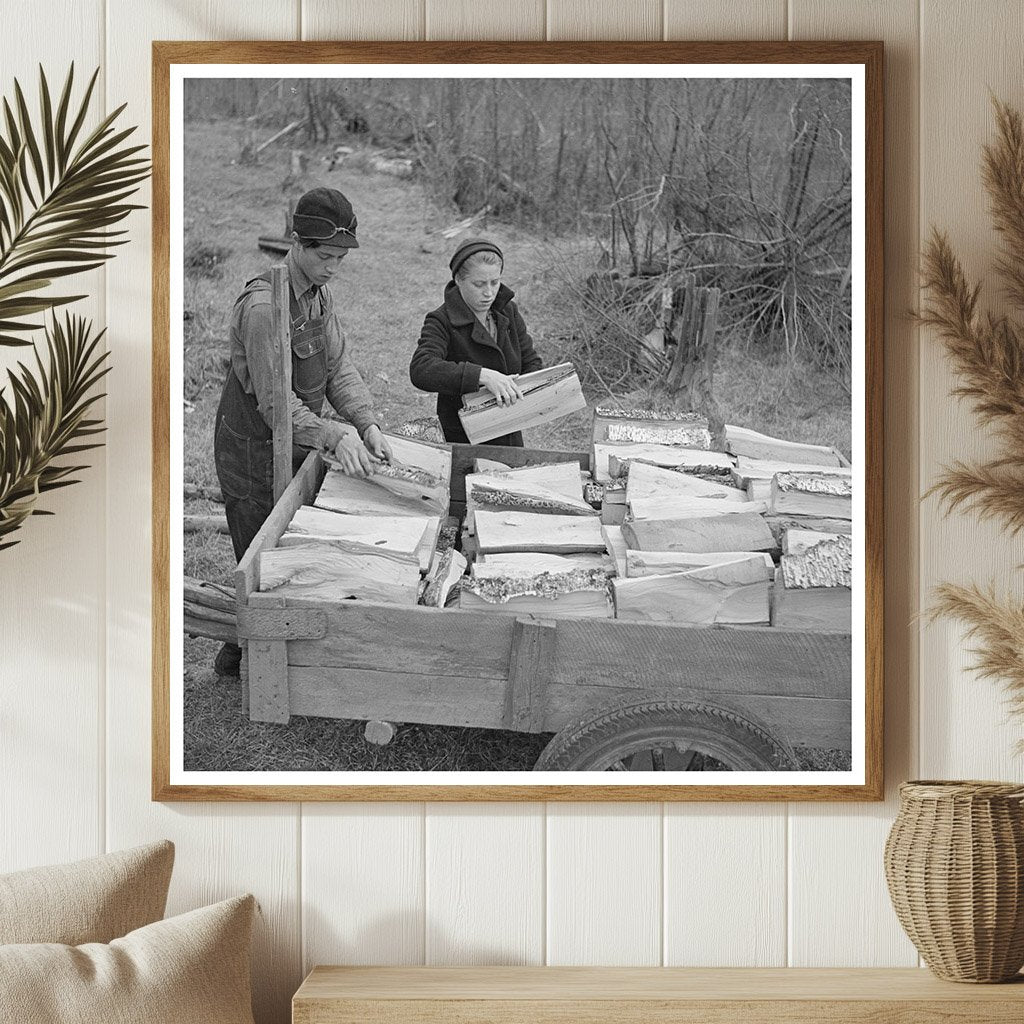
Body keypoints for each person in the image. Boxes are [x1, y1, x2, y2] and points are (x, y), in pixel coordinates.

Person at [212, 186, 391, 677]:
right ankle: (240, 658)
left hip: (293, 440)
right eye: (324, 256)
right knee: (259, 558)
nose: (333, 267)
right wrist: (332, 435)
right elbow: (276, 404)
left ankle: (259, 651)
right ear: (296, 242)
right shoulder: (264, 307)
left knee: (285, 553)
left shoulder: (318, 293)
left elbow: (337, 367)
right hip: (252, 448)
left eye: (340, 259)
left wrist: (366, 422)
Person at [409, 237, 542, 446]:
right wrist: (483, 376)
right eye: (479, 284)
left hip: (509, 433)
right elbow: (421, 369)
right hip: (463, 439)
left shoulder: (508, 311)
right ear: (459, 280)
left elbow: (531, 361)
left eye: (495, 282)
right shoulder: (442, 320)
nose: (489, 292)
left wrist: (524, 390)